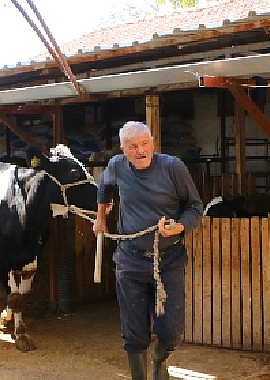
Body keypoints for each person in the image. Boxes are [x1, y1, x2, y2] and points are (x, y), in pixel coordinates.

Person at [92, 121, 203, 380]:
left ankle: (160, 358)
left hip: (169, 260)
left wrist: (179, 227)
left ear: (152, 142)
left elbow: (195, 208)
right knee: (134, 332)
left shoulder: (172, 167)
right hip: (130, 259)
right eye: (133, 147)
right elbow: (104, 185)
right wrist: (101, 216)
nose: (140, 151)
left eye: (144, 144)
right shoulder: (117, 165)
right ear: (123, 150)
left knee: (172, 331)